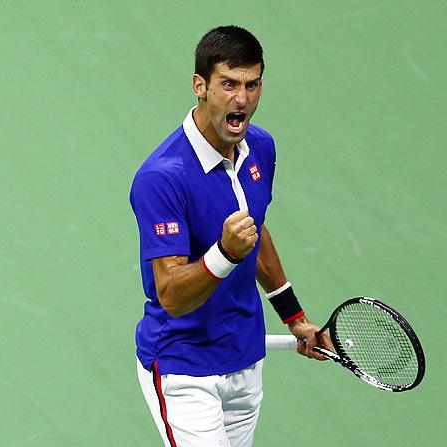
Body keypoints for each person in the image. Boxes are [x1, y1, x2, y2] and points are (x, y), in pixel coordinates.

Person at [130, 25, 331, 447]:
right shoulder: (161, 179)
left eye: (252, 85)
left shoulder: (261, 148)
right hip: (183, 368)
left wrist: (294, 317)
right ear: (200, 86)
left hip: (245, 360)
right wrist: (223, 253)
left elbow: (254, 233)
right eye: (229, 84)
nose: (242, 99)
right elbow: (172, 294)